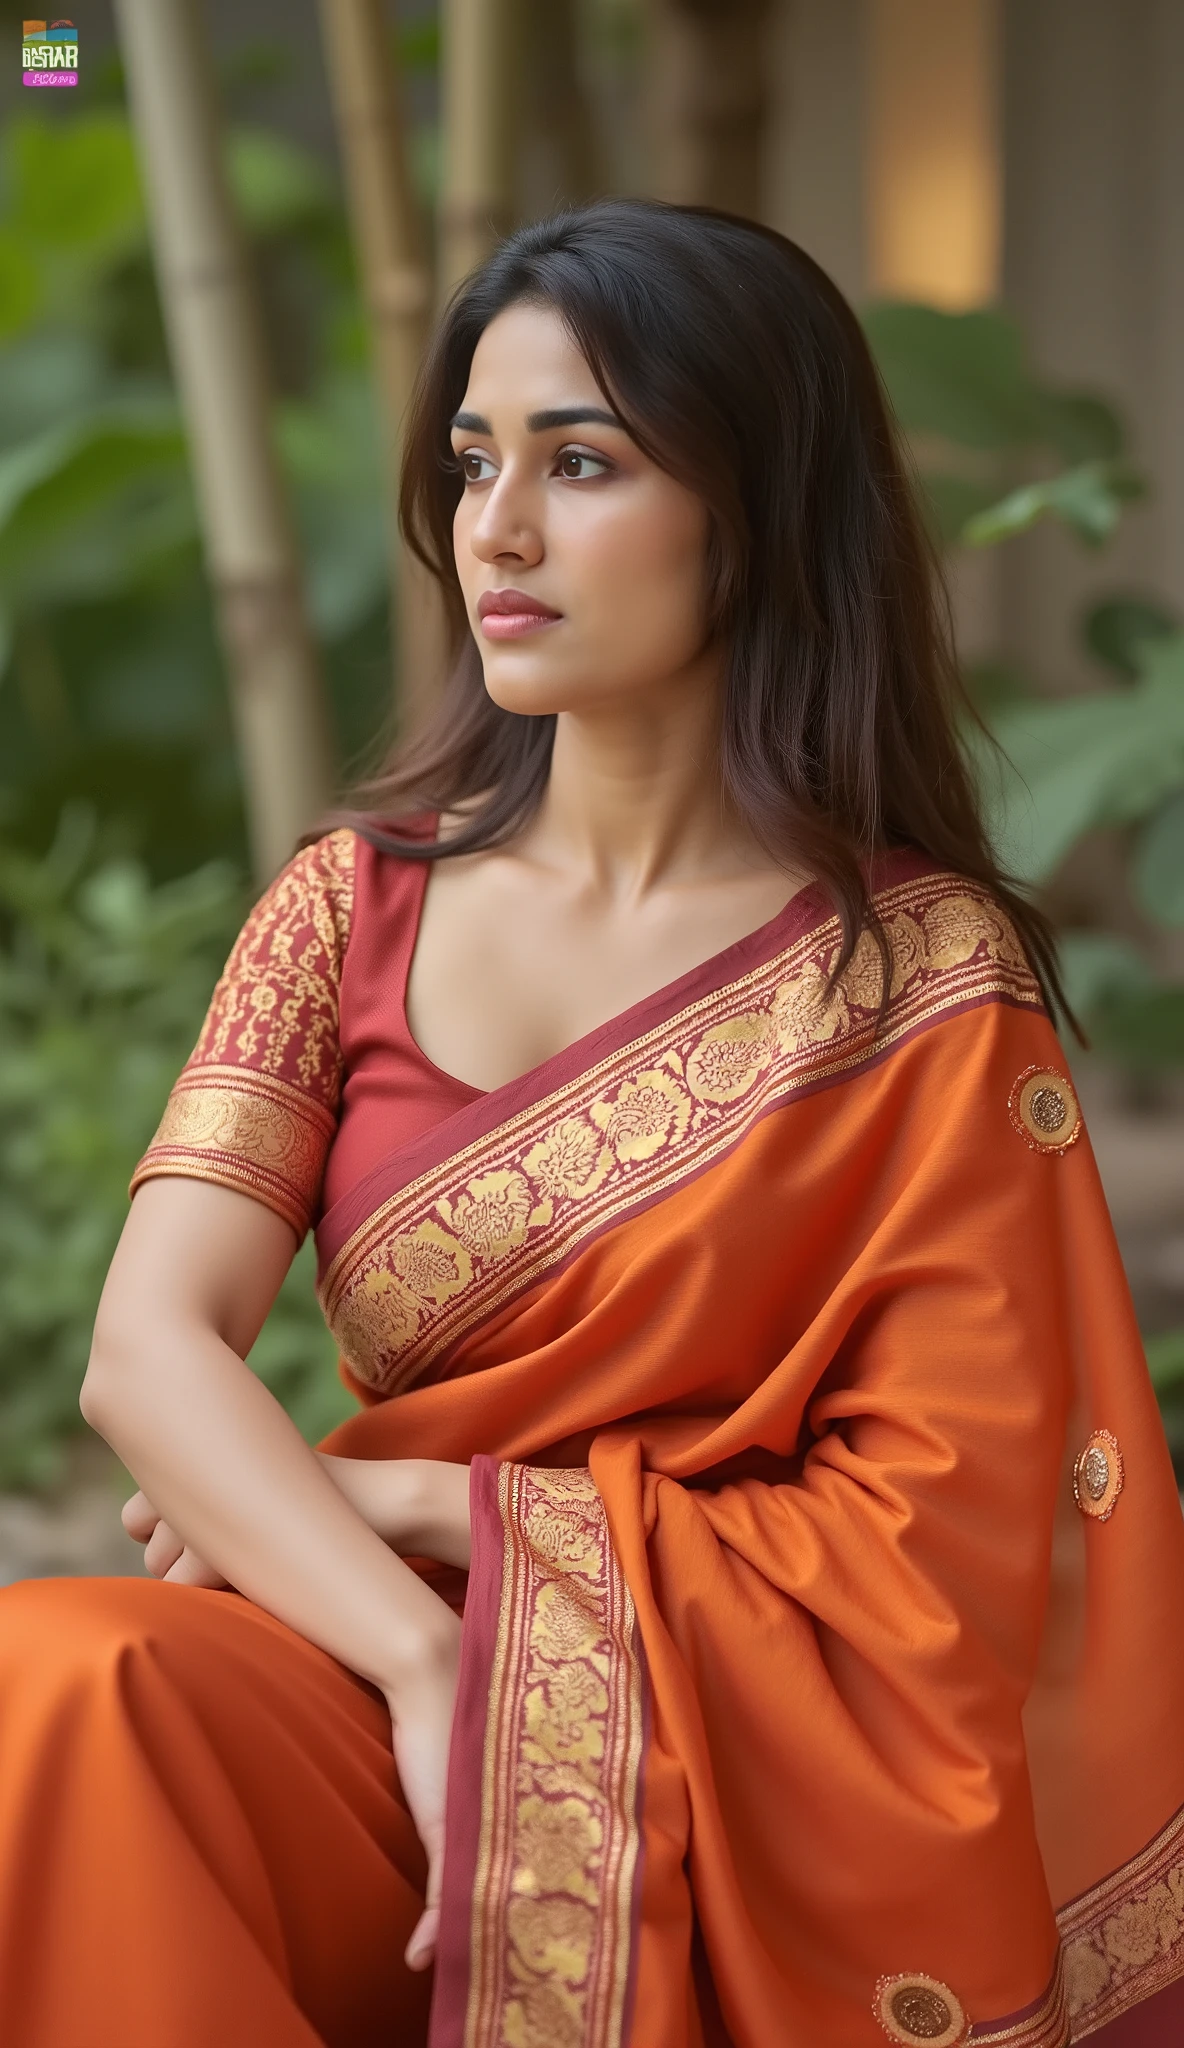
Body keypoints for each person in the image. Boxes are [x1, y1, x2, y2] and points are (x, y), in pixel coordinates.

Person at [1, 200, 1182, 2048]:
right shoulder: (347, 907)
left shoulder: (922, 982)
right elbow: (148, 1352)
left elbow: (947, 1541)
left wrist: (419, 1500)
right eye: (475, 460)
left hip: (748, 1751)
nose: (500, 527)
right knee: (71, 1679)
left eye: (585, 461)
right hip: (364, 1674)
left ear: (758, 510)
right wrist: (412, 1660)